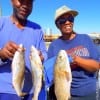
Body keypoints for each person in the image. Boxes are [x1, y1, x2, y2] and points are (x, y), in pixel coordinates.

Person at [47, 5, 100, 100]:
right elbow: (49, 73)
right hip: (62, 93)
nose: (67, 22)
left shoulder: (85, 39)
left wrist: (76, 60)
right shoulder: (53, 46)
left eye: (70, 19)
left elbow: (96, 66)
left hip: (88, 93)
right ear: (57, 25)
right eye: (62, 20)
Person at [0, 0, 47, 100]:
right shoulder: (1, 23)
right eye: (21, 1)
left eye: (29, 2)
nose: (25, 5)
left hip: (34, 90)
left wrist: (42, 57)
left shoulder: (37, 29)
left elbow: (44, 52)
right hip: (5, 91)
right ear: (12, 1)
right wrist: (1, 54)